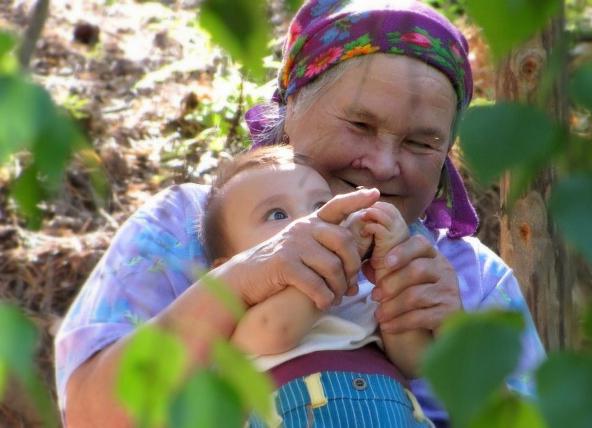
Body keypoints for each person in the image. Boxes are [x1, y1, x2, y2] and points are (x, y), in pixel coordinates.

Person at [55, 0, 546, 427]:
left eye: (421, 142)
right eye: (360, 123)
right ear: (291, 108)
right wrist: (238, 283)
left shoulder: (473, 280)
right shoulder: (185, 225)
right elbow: (90, 415)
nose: (383, 164)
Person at [202, 144, 432, 426]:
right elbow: (279, 330)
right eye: (277, 214)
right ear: (228, 269)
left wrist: (392, 265)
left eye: (321, 206)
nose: (309, 222)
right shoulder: (242, 321)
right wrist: (343, 255)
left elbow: (414, 360)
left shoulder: (362, 290)